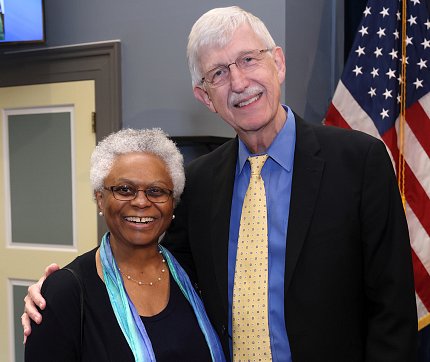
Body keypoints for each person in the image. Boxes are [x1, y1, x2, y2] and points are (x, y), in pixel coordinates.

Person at [23, 6, 417, 361]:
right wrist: (59, 290)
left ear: (277, 63)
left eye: (249, 59)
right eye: (219, 74)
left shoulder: (358, 161)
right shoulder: (199, 183)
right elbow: (148, 255)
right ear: (205, 96)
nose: (240, 82)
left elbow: (392, 310)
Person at [24, 128, 225, 361]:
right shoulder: (66, 291)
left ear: (172, 204)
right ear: (100, 198)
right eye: (124, 190)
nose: (141, 202)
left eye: (156, 191)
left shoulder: (195, 275)